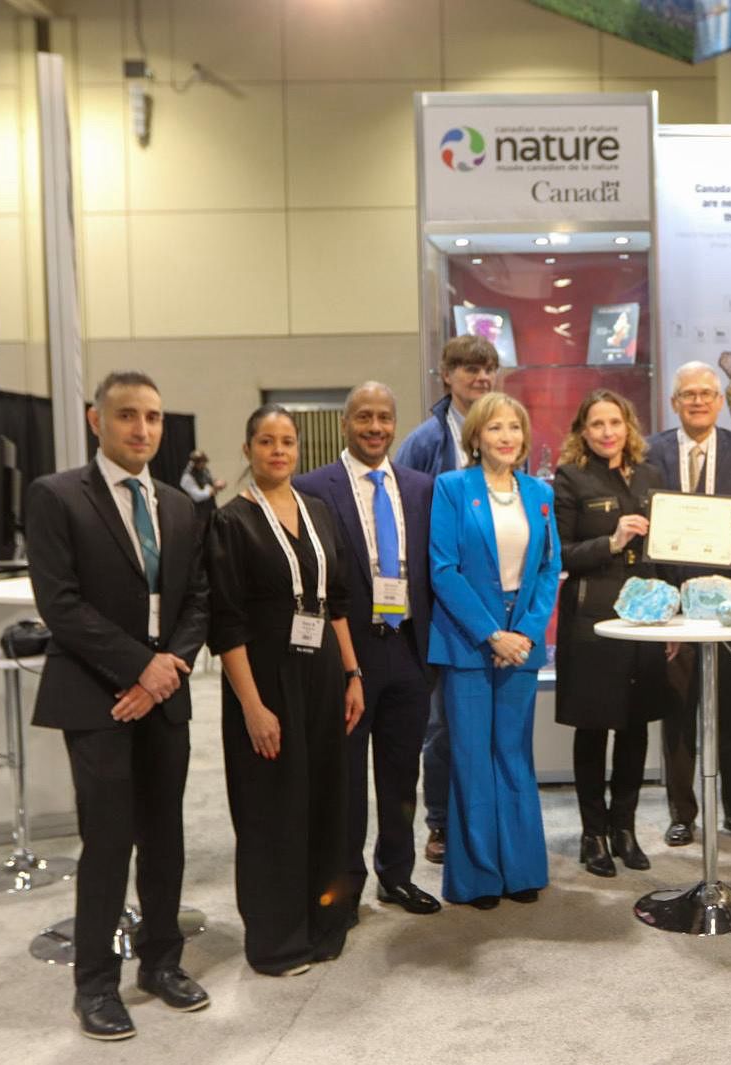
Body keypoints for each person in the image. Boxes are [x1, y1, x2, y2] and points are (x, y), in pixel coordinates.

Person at [26, 371, 211, 1040]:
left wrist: (165, 670)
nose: (142, 428)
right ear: (96, 420)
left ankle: (161, 963)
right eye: (128, 414)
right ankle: (96, 985)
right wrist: (140, 667)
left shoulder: (179, 505)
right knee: (108, 842)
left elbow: (199, 599)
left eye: (153, 417)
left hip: (164, 695)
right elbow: (61, 604)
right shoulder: (56, 496)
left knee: (165, 838)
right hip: (94, 695)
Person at [208, 404, 365, 976]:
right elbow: (225, 624)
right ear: (248, 449)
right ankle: (277, 942)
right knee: (273, 806)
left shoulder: (318, 511)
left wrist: (352, 674)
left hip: (322, 672)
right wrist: (251, 706)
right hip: (266, 677)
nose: (278, 451)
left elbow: (336, 602)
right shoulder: (232, 522)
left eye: (287, 442)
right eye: (266, 441)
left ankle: (324, 923)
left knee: (325, 796)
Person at [293, 382, 440, 921]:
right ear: (345, 423)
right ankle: (345, 884)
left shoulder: (421, 488)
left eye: (384, 417)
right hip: (346, 656)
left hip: (408, 649)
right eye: (364, 417)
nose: (375, 427)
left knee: (402, 776)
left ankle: (396, 876)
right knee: (347, 779)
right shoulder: (312, 488)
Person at [427, 391, 561, 908]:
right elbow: (443, 568)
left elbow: (549, 568)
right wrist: (491, 634)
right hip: (468, 640)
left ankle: (521, 869)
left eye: (514, 427)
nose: (507, 437)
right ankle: (479, 876)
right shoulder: (452, 488)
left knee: (513, 754)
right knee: (471, 757)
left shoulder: (539, 493)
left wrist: (524, 631)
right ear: (476, 437)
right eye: (495, 427)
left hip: (521, 641)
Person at [648, 362, 731, 846]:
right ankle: (683, 814)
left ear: (720, 401)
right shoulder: (653, 450)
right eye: (688, 394)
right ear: (674, 402)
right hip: (674, 604)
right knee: (678, 716)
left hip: (729, 608)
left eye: (706, 393)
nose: (698, 401)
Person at [553, 389, 671, 877]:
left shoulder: (650, 475)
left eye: (615, 423)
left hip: (644, 618)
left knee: (635, 725)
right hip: (592, 620)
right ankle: (593, 834)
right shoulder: (569, 477)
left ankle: (624, 829)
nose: (607, 432)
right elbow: (560, 553)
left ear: (629, 427)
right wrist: (612, 541)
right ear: (583, 431)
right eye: (597, 424)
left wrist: (671, 615)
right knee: (593, 727)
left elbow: (666, 550)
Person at [396, 334, 499, 865]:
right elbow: (404, 519)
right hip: (439, 603)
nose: (480, 378)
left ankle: (482, 817)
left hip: (493, 601)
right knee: (441, 725)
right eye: (469, 369)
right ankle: (439, 822)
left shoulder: (502, 434)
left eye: (487, 369)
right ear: (447, 375)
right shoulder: (423, 442)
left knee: (487, 720)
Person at [179, 449, 223, 523]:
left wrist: (217, 483)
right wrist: (212, 490)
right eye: (200, 462)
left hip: (210, 510)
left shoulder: (204, 471)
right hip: (198, 515)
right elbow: (197, 497)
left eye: (204, 462)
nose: (203, 464)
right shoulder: (187, 477)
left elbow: (209, 482)